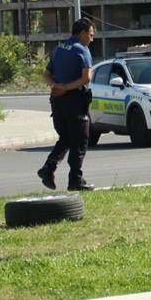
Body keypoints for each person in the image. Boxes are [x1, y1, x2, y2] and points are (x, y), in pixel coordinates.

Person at [38, 18, 96, 192]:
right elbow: (87, 78)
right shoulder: (82, 50)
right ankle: (75, 181)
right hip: (74, 101)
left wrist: (56, 87)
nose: (92, 39)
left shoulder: (59, 48)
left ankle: (48, 168)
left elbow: (46, 74)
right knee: (79, 141)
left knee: (66, 138)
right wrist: (65, 88)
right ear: (83, 33)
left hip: (57, 102)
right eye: (91, 35)